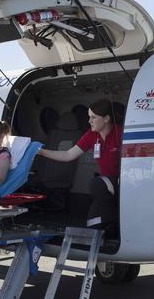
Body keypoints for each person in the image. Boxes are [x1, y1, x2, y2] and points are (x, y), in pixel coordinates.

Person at [37, 99, 124, 237]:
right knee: (93, 224)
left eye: (93, 117)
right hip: (106, 184)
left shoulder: (121, 133)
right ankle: (110, 227)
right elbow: (68, 155)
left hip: (123, 182)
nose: (89, 121)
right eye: (89, 117)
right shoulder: (92, 135)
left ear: (106, 119)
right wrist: (39, 151)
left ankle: (114, 223)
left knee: (96, 184)